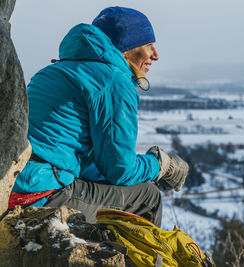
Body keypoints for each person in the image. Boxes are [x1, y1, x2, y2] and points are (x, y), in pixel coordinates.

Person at [8, 6, 188, 226]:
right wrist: (161, 165)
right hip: (41, 195)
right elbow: (120, 170)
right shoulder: (113, 81)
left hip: (14, 184)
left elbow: (81, 160)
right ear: (126, 47)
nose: (155, 55)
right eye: (148, 44)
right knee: (147, 197)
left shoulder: (56, 70)